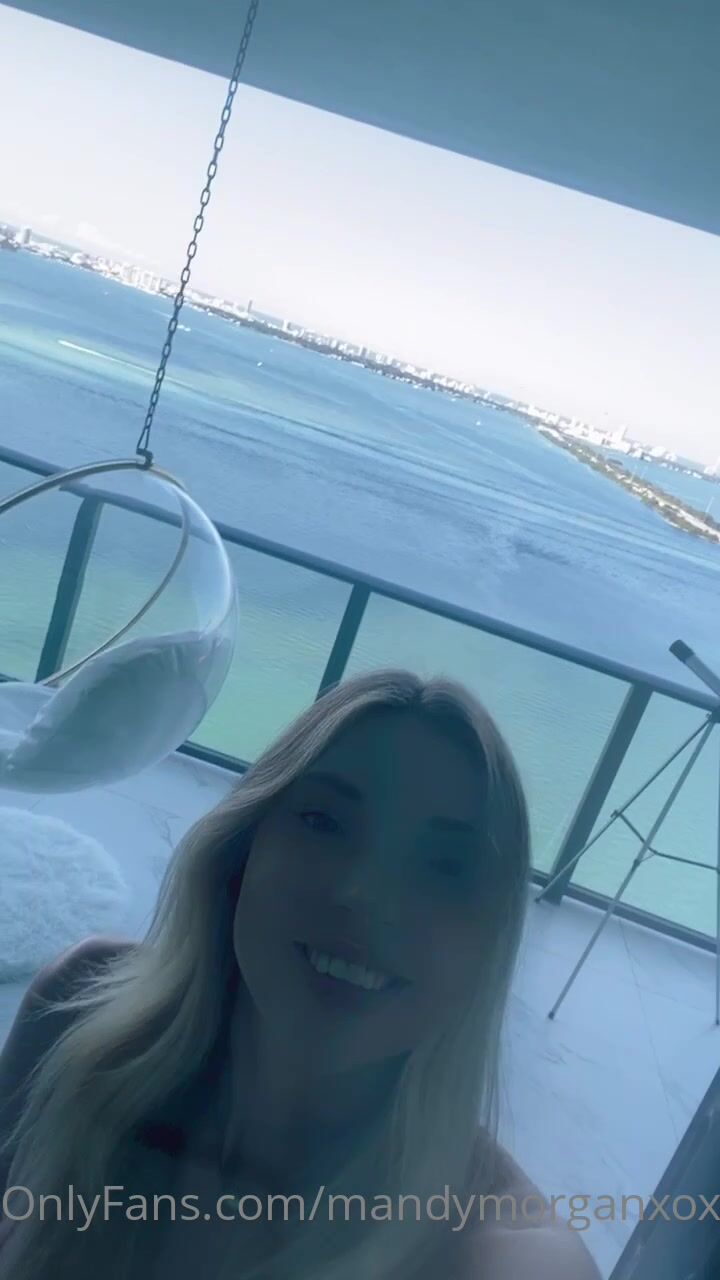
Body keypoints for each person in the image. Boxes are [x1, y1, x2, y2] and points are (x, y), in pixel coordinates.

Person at [0, 668, 600, 1279]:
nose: (365, 895)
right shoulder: (76, 1013)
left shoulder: (502, 1253)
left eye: (445, 865)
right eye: (324, 822)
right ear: (241, 850)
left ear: (488, 943)